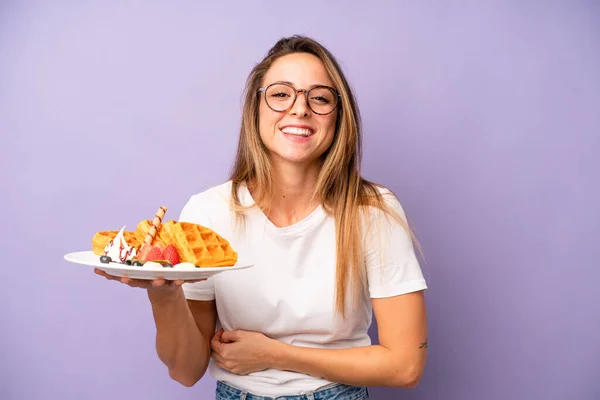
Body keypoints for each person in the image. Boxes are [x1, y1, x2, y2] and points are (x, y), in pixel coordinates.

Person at [95, 35, 428, 400]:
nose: (300, 109)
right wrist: (164, 297)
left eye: (319, 97)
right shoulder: (210, 212)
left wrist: (276, 354)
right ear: (256, 109)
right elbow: (186, 372)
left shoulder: (371, 210)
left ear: (339, 115)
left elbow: (404, 366)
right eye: (281, 94)